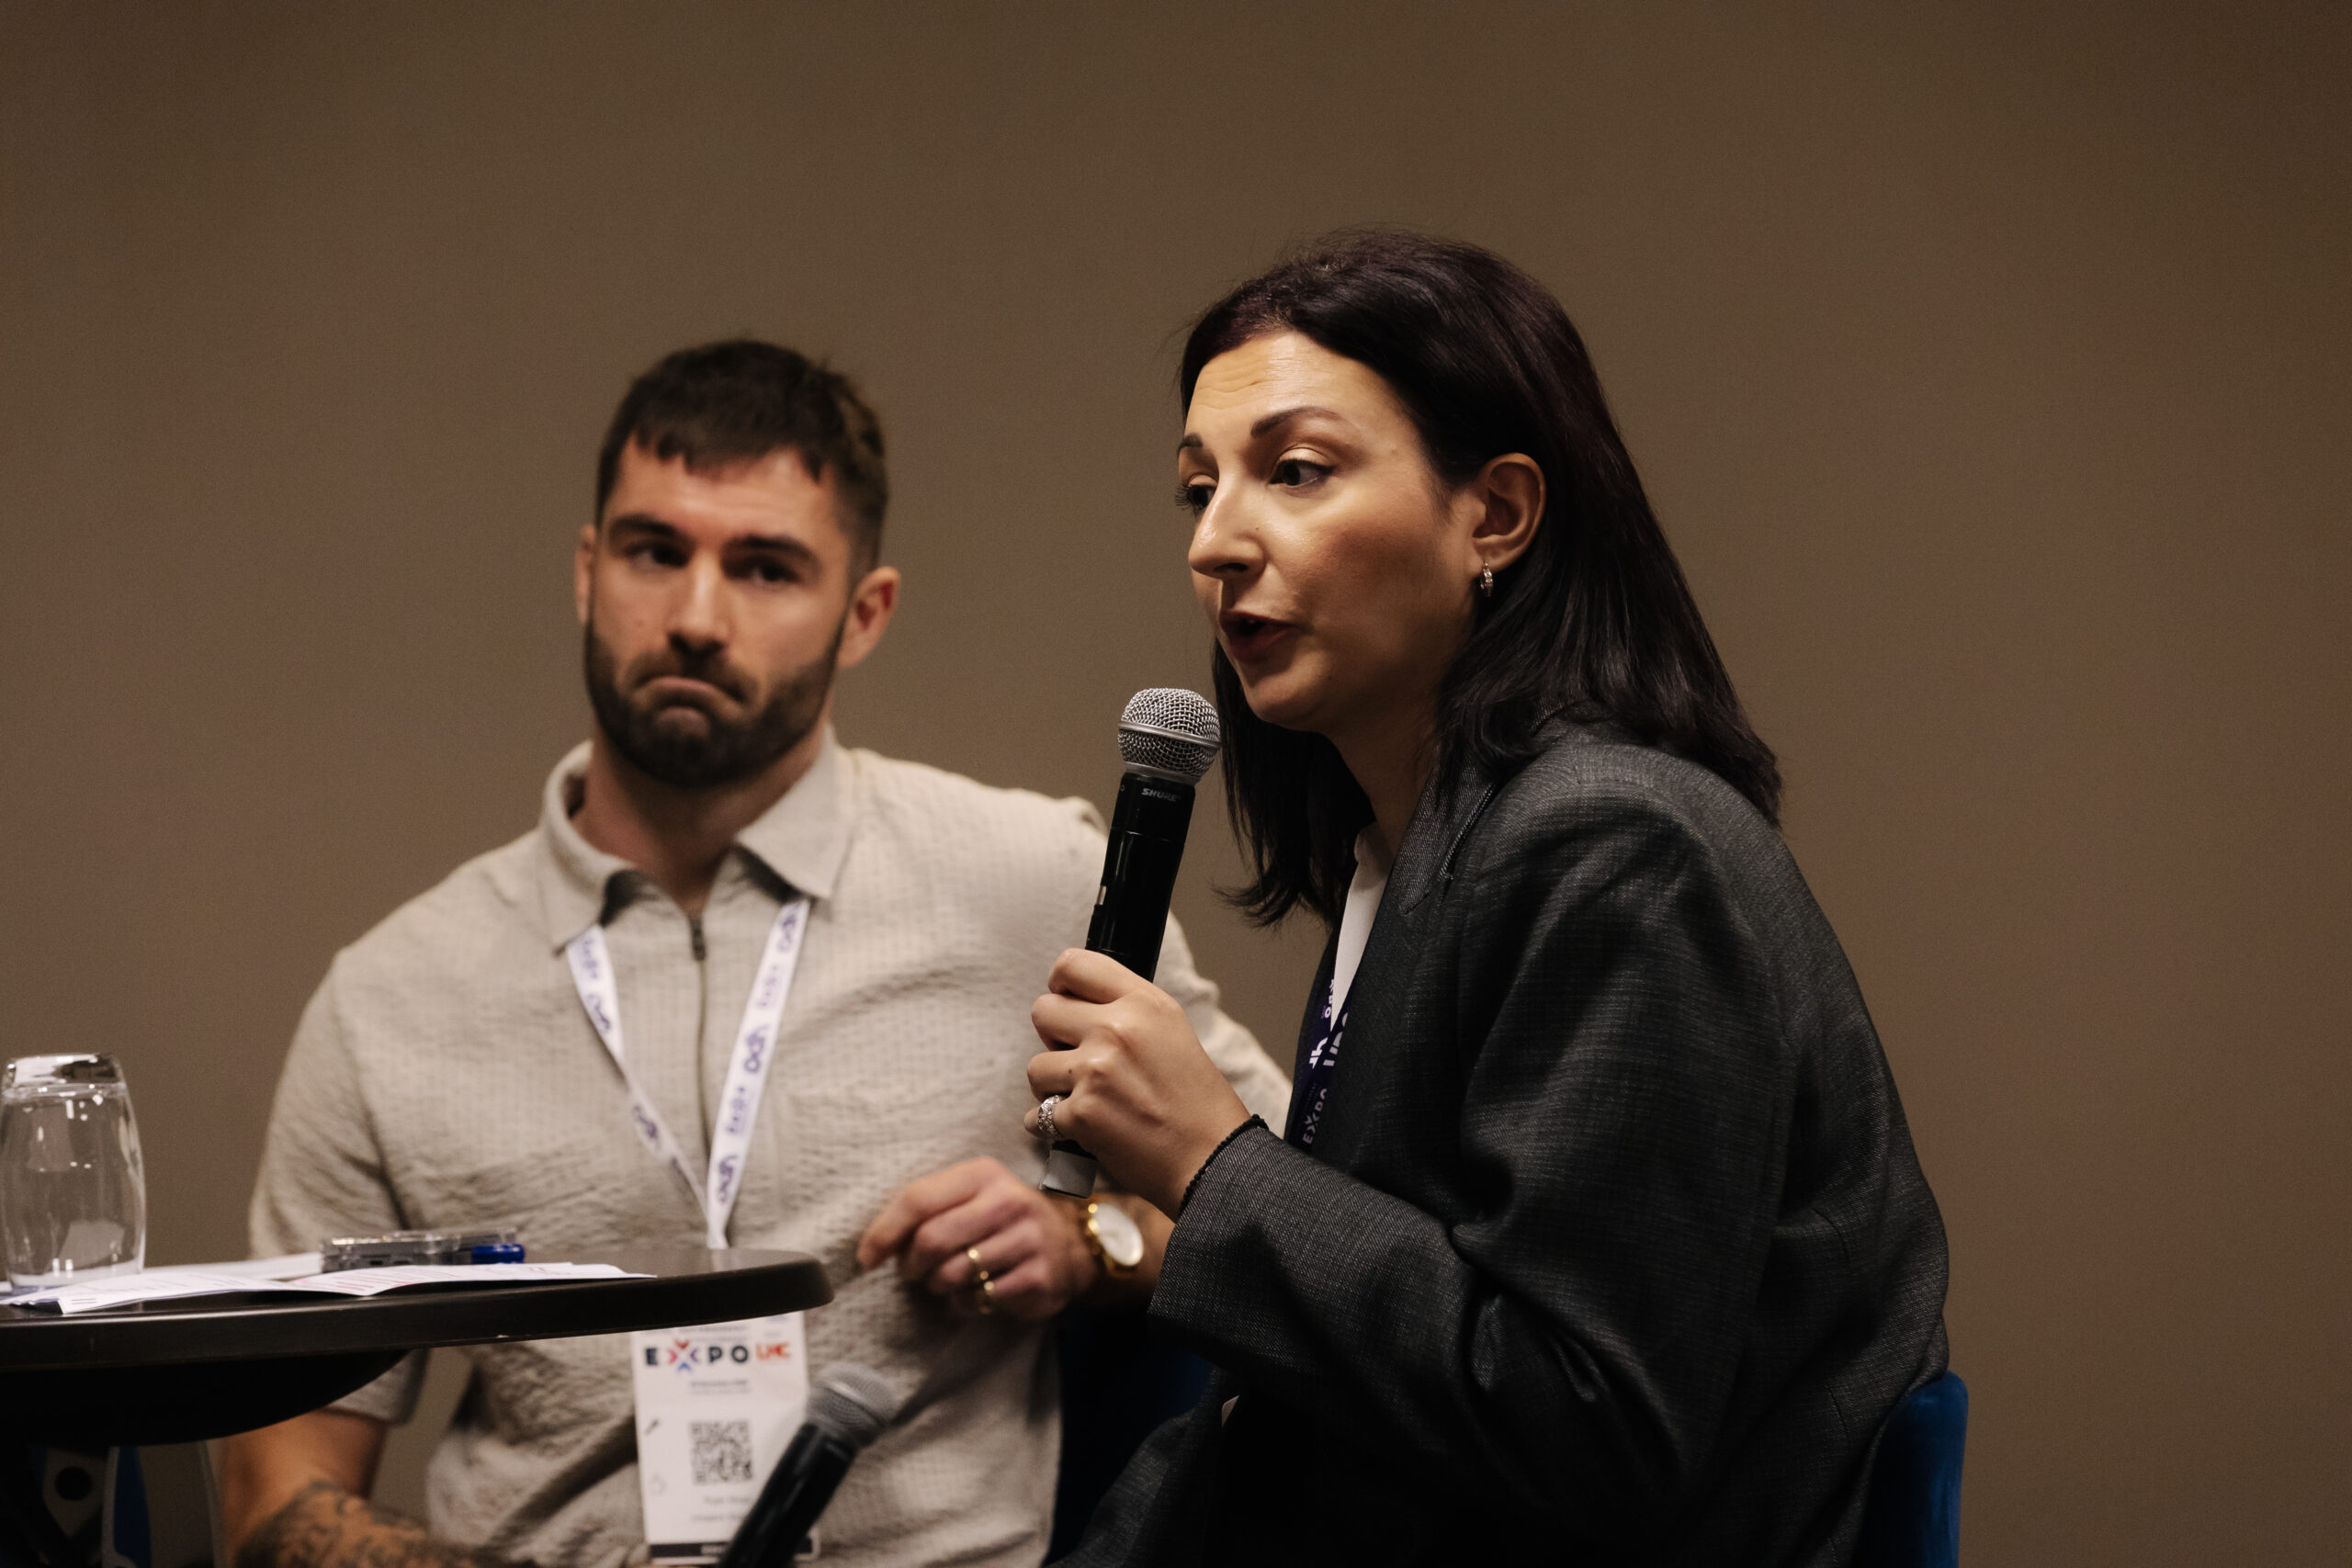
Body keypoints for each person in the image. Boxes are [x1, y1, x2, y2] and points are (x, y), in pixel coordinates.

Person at [219, 340, 1289, 1568]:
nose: (694, 618)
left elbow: (1294, 1230)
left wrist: (1089, 1243)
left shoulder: (1034, 881)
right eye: (653, 552)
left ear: (864, 613)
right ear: (586, 573)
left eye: (766, 568)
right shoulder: (392, 999)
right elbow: (275, 1490)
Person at [1023, 231, 1951, 1566]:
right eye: (1198, 488)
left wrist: (1212, 1162)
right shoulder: (1409, 851)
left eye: (1296, 471)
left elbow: (1587, 1425)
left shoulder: (1619, 845)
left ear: (1496, 516)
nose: (1215, 543)